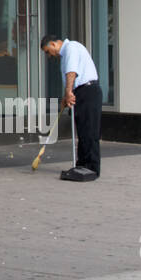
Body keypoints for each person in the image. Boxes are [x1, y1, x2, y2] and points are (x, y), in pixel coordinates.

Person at [40, 34, 101, 182]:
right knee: (83, 130)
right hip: (81, 91)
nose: (49, 55)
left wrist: (68, 92)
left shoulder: (71, 48)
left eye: (48, 51)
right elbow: (70, 78)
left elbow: (71, 73)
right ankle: (82, 164)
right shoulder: (67, 52)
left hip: (87, 91)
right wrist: (66, 95)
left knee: (89, 130)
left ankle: (91, 167)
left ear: (54, 44)